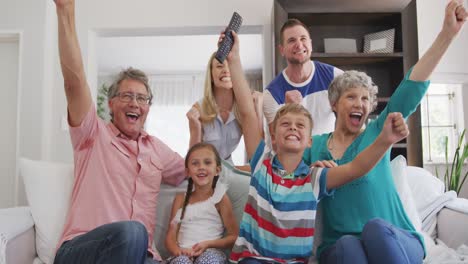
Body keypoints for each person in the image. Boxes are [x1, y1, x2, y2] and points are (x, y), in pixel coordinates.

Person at [221, 30, 410, 263]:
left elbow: (355, 168)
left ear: (310, 140)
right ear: (273, 135)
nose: (292, 128)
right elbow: (248, 113)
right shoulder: (262, 164)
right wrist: (234, 59)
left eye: (300, 125)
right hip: (253, 259)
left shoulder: (314, 177)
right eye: (285, 124)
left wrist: (385, 139)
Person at [303, 1, 468, 263]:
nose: (361, 104)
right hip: (340, 244)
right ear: (334, 104)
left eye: (366, 99)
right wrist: (311, 170)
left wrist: (447, 34)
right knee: (348, 244)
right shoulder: (315, 145)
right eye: (351, 97)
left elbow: (411, 86)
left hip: (396, 238)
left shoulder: (380, 131)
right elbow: (283, 172)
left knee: (375, 229)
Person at [53, 0, 186, 263]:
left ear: (148, 108)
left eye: (142, 98)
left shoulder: (158, 150)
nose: (135, 103)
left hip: (141, 255)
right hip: (81, 251)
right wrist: (65, 11)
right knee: (133, 232)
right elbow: (74, 82)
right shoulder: (92, 134)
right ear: (111, 103)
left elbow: (199, 167)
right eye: (127, 96)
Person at [263, 18, 343, 139]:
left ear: (310, 44)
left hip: (328, 154)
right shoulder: (271, 93)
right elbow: (276, 142)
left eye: (303, 39)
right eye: (291, 40)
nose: (299, 45)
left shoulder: (335, 76)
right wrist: (287, 111)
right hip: (294, 157)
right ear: (282, 50)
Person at [164, 142, 238, 263]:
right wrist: (179, 252)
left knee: (207, 261)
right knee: (181, 262)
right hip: (183, 253)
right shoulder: (180, 198)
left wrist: (208, 244)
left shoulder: (220, 198)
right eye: (195, 163)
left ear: (217, 170)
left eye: (207, 162)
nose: (201, 167)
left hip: (210, 252)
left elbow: (233, 236)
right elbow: (170, 237)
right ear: (188, 172)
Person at [186, 52, 263, 164]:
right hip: (205, 168)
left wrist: (258, 111)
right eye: (219, 66)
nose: (226, 70)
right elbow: (193, 159)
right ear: (211, 75)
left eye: (230, 66)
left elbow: (258, 154)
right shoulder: (199, 109)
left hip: (229, 167)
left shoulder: (244, 108)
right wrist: (196, 127)